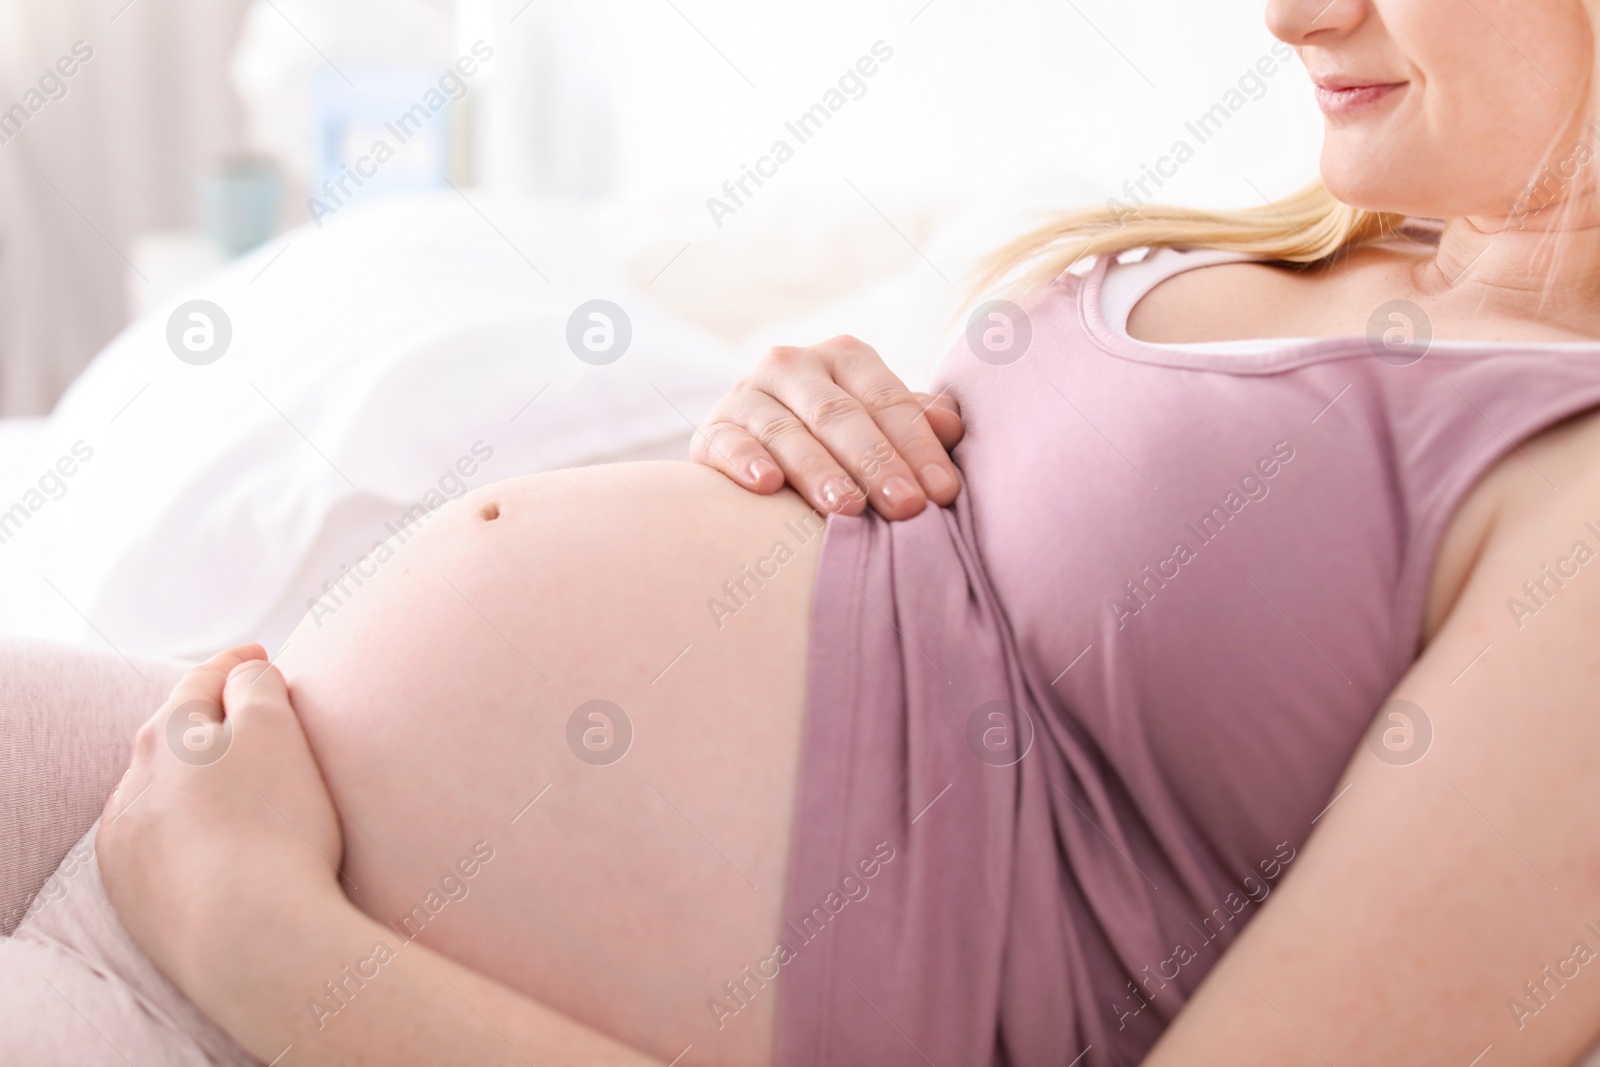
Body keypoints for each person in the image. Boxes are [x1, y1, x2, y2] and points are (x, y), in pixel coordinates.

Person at [10, 0, 1600, 1063]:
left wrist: (275, 946)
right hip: (205, 786)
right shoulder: (1375, 237)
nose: (1295, 11)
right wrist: (803, 410)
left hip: (275, 990)